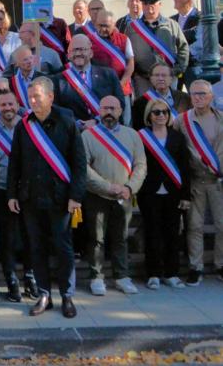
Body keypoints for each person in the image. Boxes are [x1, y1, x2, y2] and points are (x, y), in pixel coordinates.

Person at [7, 77, 86, 319]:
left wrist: (76, 196)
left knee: (63, 248)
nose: (32, 101)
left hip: (60, 198)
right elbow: (15, 163)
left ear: (50, 97)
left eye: (37, 97)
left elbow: (79, 163)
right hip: (31, 198)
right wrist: (12, 194)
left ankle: (67, 295)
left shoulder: (67, 122)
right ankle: (44, 294)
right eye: (30, 97)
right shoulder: (24, 126)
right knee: (36, 247)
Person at [81, 96, 146, 296]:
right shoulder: (88, 135)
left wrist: (129, 187)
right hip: (97, 195)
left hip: (124, 195)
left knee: (120, 238)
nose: (108, 112)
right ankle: (97, 277)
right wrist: (108, 187)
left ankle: (122, 276)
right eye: (104, 108)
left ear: (120, 111)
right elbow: (84, 167)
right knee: (96, 239)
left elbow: (140, 165)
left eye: (113, 108)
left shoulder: (132, 135)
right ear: (99, 111)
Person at [171, 79, 223, 286]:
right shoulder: (181, 120)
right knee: (194, 226)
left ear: (211, 96)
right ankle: (196, 267)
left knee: (222, 224)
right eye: (194, 94)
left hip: (218, 180)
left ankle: (220, 264)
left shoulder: (221, 118)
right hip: (195, 180)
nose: (199, 97)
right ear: (190, 97)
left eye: (203, 94)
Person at [137, 98, 191, 290]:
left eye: (165, 112)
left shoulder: (177, 137)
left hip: (173, 192)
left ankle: (171, 273)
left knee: (172, 233)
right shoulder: (141, 136)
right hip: (149, 192)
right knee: (152, 233)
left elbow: (185, 167)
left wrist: (186, 195)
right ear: (149, 116)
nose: (161, 115)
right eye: (156, 112)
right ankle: (153, 273)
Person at [0, 90, 31, 302]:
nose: (7, 108)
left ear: (17, 105)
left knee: (30, 236)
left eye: (10, 104)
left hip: (27, 191)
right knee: (7, 238)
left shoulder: (29, 128)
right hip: (3, 190)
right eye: (3, 105)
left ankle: (30, 276)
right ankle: (11, 280)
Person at [125, 0, 189, 97]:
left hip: (168, 76)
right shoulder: (132, 27)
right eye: (145, 3)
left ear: (160, 4)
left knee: (169, 108)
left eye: (153, 3)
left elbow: (183, 48)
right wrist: (133, 72)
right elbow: (126, 51)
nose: (149, 6)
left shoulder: (172, 25)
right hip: (142, 78)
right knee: (144, 108)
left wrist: (177, 70)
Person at [55, 35, 124, 126]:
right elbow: (57, 110)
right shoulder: (57, 80)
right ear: (68, 55)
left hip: (106, 131)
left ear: (91, 53)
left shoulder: (109, 75)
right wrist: (79, 124)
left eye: (83, 49)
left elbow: (120, 104)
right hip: (74, 132)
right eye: (74, 50)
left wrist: (97, 121)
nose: (78, 53)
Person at [131, 63, 191, 130]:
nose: (160, 79)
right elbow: (139, 128)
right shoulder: (140, 103)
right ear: (151, 79)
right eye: (157, 75)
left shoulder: (185, 99)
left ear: (171, 79)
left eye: (164, 75)